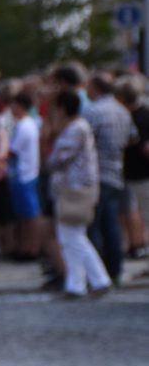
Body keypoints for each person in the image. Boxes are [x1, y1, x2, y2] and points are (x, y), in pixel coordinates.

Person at [44, 88, 109, 297]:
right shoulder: (78, 127)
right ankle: (77, 284)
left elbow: (56, 160)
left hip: (74, 190)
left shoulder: (75, 129)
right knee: (69, 238)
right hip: (73, 189)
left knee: (74, 237)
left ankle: (98, 279)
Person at [80, 69, 132, 284]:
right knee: (110, 224)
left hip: (97, 174)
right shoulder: (122, 111)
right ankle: (115, 268)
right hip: (115, 172)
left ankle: (96, 272)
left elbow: (82, 139)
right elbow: (132, 137)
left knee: (93, 225)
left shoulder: (93, 111)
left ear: (95, 88)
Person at [5, 90, 45, 261]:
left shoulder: (24, 125)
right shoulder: (27, 123)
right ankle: (25, 247)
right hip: (24, 174)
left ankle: (31, 248)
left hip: (24, 174)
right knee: (24, 215)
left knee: (29, 216)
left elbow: (12, 150)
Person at [121, 77, 149, 259]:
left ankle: (140, 246)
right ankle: (138, 246)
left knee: (142, 212)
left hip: (140, 172)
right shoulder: (143, 112)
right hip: (134, 173)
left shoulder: (138, 115)